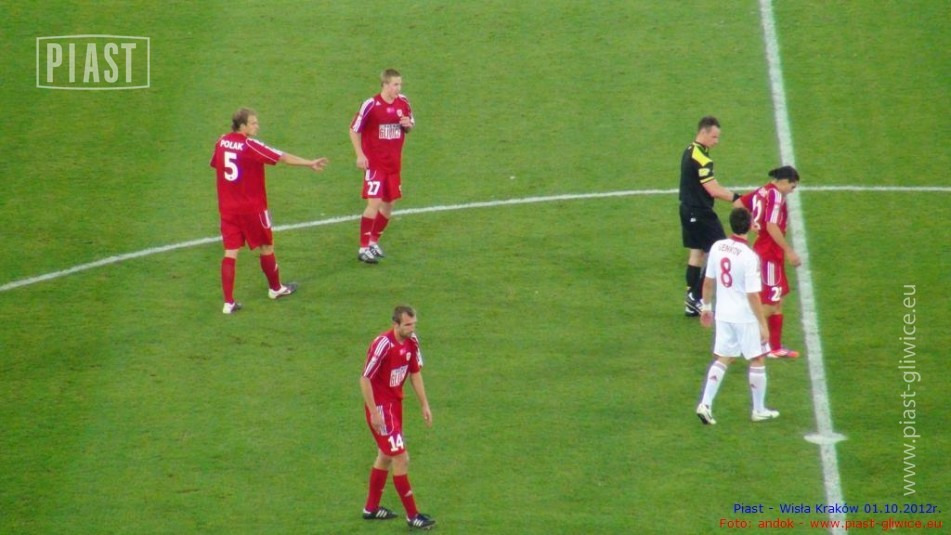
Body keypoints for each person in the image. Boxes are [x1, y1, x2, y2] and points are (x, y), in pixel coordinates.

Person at [210, 107, 329, 314]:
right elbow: (281, 157)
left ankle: (228, 303)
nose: (257, 126)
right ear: (242, 126)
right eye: (253, 123)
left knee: (230, 252)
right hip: (252, 208)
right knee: (266, 246)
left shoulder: (221, 142)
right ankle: (275, 289)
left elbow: (217, 165)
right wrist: (309, 163)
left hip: (228, 209)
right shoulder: (250, 145)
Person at [695, 208, 779, 425]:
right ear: (750, 225)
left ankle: (705, 404)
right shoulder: (750, 257)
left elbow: (708, 282)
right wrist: (763, 325)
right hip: (745, 316)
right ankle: (758, 410)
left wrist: (706, 308)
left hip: (723, 314)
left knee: (724, 357)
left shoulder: (717, 247)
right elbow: (752, 295)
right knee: (757, 357)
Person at [359, 306, 436, 530]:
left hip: (395, 406)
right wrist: (374, 412)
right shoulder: (382, 344)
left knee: (385, 455)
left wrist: (424, 404)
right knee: (401, 458)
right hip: (382, 409)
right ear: (396, 324)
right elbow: (364, 379)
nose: (412, 329)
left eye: (414, 324)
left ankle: (371, 508)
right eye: (408, 325)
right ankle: (413, 516)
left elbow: (415, 373)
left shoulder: (412, 341)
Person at [679, 116, 744, 317]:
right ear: (703, 132)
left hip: (686, 210)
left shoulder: (690, 150)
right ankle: (696, 297)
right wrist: (735, 198)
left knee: (696, 253)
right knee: (721, 251)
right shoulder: (702, 159)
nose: (717, 141)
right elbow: (713, 189)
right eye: (714, 137)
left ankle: (691, 303)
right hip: (700, 213)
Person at [349, 68, 415, 264]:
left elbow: (410, 125)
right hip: (375, 164)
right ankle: (363, 248)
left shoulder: (403, 102)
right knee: (374, 203)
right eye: (395, 84)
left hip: (394, 165)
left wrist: (407, 125)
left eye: (400, 84)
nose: (398, 88)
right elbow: (354, 130)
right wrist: (360, 155)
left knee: (388, 205)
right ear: (385, 84)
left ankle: (373, 241)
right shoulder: (371, 104)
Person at [739, 165, 802, 358]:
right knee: (771, 303)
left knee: (777, 300)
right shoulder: (775, 195)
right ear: (784, 181)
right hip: (770, 254)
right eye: (792, 186)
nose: (792, 191)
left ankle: (774, 347)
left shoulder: (763, 190)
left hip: (765, 251)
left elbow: (739, 204)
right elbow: (772, 226)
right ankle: (741, 335)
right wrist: (789, 251)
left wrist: (751, 222)